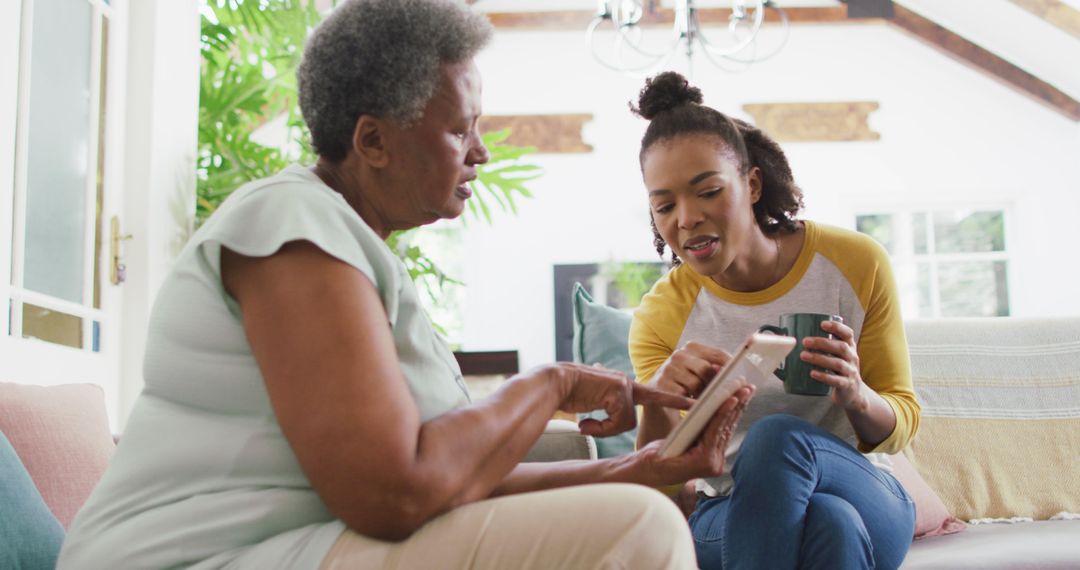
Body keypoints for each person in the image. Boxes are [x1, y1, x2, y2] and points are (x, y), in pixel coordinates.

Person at [57, 2, 755, 569]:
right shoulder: (291, 223)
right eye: (461, 128)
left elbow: (453, 483)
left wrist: (633, 467)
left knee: (639, 505)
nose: (480, 150)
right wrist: (552, 385)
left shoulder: (356, 253)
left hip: (294, 548)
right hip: (198, 558)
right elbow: (394, 494)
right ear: (373, 142)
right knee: (636, 531)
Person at [628, 71, 921, 570]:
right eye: (664, 205)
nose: (686, 218)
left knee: (778, 439)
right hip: (732, 509)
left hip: (865, 492)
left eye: (707, 191)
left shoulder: (855, 262)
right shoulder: (663, 314)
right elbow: (663, 486)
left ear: (753, 183)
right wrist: (657, 398)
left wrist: (855, 393)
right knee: (830, 524)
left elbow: (902, 422)